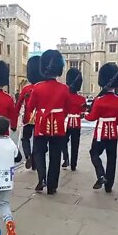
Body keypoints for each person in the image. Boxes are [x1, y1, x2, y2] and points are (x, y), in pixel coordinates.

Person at [26, 50, 70, 195]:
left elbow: (30, 107)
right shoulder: (64, 89)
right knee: (55, 155)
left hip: (41, 123)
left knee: (38, 152)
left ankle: (41, 178)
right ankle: (52, 186)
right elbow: (67, 109)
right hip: (58, 125)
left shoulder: (37, 88)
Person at [85, 63, 118, 192]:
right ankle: (109, 186)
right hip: (113, 133)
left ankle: (101, 174)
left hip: (100, 133)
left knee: (94, 153)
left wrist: (84, 114)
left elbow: (92, 117)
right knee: (111, 158)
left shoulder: (99, 100)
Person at [15, 56, 42, 170]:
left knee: (25, 138)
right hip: (40, 119)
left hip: (28, 118)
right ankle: (35, 163)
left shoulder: (26, 88)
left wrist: (14, 118)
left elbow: (18, 104)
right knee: (36, 140)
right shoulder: (42, 87)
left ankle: (28, 156)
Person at [62, 68, 86, 171]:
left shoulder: (64, 96)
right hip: (76, 124)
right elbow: (83, 111)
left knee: (63, 142)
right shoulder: (82, 99)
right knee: (75, 145)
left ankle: (66, 158)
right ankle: (73, 164)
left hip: (66, 123)